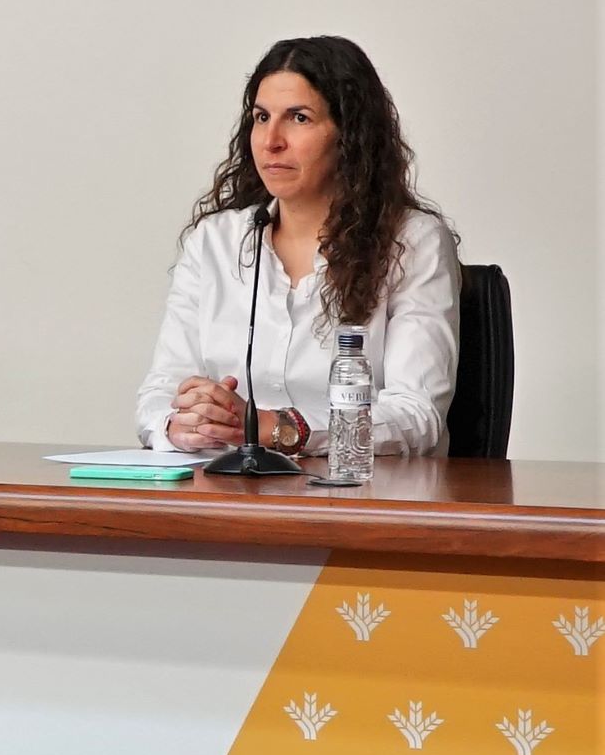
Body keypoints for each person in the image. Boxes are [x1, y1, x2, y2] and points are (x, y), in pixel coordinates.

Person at [136, 36, 460, 457]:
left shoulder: (412, 243)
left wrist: (279, 428)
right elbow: (160, 393)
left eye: (299, 118)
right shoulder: (214, 242)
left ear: (350, 135)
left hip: (361, 501)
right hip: (229, 501)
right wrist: (184, 425)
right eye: (261, 116)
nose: (271, 140)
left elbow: (416, 417)